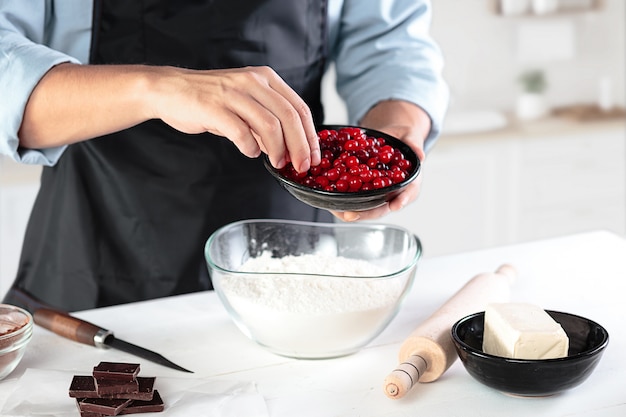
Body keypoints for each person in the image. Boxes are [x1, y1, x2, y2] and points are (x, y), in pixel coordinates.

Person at [0, 0, 449, 311]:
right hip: (95, 244)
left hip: (291, 253)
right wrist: (155, 87)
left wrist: (397, 130)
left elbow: (389, 44)